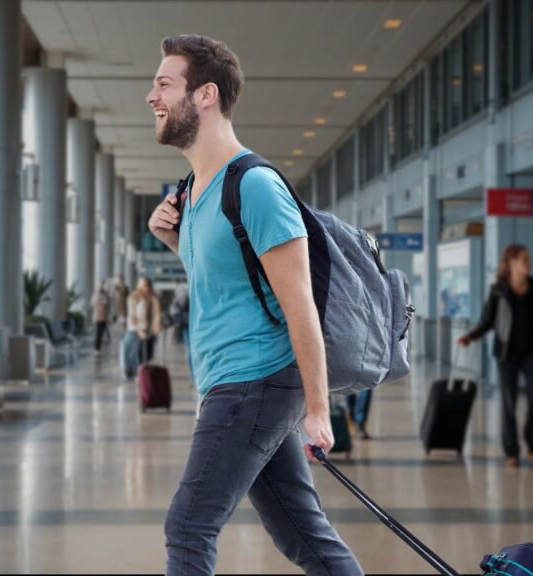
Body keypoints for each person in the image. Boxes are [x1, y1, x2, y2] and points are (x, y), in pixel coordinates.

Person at [146, 35, 361, 576]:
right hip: (234, 382)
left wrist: (317, 409)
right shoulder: (194, 190)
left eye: (164, 84)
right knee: (301, 534)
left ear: (205, 96)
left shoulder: (257, 186)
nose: (152, 97)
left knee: (187, 526)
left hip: (257, 381)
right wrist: (173, 242)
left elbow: (301, 306)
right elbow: (226, 287)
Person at [458, 244, 533, 468]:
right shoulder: (499, 289)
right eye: (523, 259)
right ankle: (512, 450)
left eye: (529, 259)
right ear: (511, 263)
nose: (528, 263)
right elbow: (487, 321)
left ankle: (529, 436)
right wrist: (470, 337)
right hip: (506, 354)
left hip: (532, 354)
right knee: (509, 403)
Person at [127, 277, 163, 364]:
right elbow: (132, 315)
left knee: (149, 353)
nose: (147, 288)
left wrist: (156, 327)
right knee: (137, 352)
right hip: (137, 329)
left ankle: (144, 370)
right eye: (144, 286)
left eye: (148, 286)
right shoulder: (134, 297)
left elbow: (156, 314)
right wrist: (138, 330)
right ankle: (138, 370)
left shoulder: (154, 298)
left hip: (150, 330)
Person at [92, 281, 111, 353]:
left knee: (101, 332)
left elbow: (108, 303)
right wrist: (103, 304)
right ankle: (97, 348)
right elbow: (93, 303)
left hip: (104, 316)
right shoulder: (96, 294)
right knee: (98, 332)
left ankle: (98, 347)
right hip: (98, 316)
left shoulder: (105, 294)